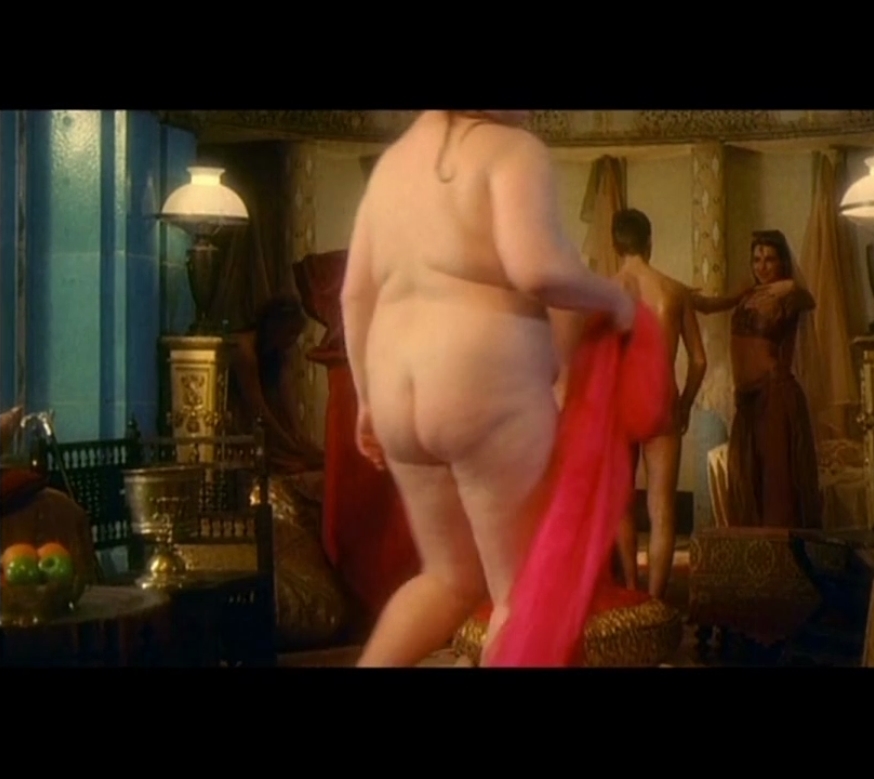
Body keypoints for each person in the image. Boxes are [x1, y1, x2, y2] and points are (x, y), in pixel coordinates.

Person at [341, 110, 637, 667]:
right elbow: (536, 268)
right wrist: (615, 298)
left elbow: (354, 295)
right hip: (481, 378)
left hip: (393, 384)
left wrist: (364, 401)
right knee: (523, 595)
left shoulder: (393, 164)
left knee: (447, 579)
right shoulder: (510, 149)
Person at [691, 230, 823, 529]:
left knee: (777, 485)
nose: (761, 266)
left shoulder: (788, 295)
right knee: (747, 479)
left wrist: (789, 284)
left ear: (782, 262)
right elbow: (715, 305)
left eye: (769, 260)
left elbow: (808, 299)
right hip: (746, 399)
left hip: (774, 393)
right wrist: (688, 297)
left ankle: (780, 552)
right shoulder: (748, 294)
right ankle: (753, 549)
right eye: (756, 260)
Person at [609, 208, 706, 600]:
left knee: (621, 504)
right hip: (661, 398)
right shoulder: (673, 291)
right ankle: (655, 599)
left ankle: (632, 589)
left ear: (616, 244)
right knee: (662, 506)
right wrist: (685, 404)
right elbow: (699, 361)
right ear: (650, 242)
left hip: (619, 402)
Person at [227, 296, 325, 474]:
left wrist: (300, 439)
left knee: (311, 458)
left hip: (263, 422)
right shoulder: (244, 350)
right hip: (237, 420)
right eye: (290, 333)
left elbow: (289, 402)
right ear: (274, 327)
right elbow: (257, 409)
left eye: (296, 334)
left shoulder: (281, 351)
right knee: (287, 460)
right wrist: (288, 443)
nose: (293, 340)